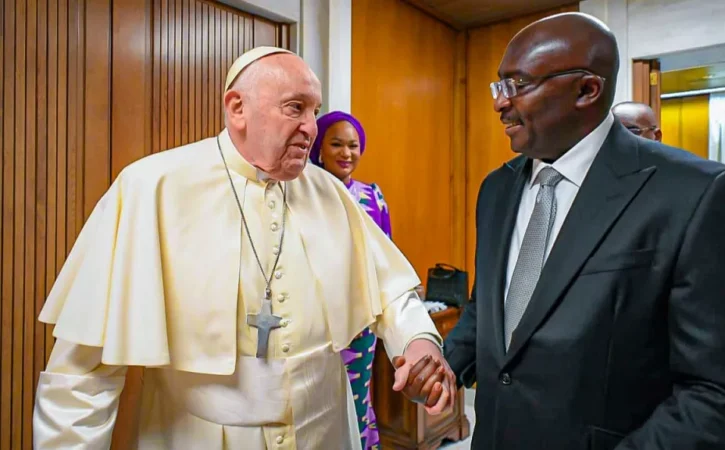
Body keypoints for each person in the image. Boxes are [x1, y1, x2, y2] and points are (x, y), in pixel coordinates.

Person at [32, 46, 456, 449]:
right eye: (295, 108)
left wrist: (418, 341)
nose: (311, 127)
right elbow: (81, 377)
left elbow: (391, 291)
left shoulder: (329, 192)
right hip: (199, 436)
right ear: (237, 109)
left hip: (326, 431)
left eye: (315, 111)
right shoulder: (151, 188)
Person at [444, 12, 725, 449]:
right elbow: (489, 308)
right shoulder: (496, 189)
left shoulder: (697, 194)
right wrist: (446, 363)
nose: (500, 102)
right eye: (499, 86)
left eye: (517, 85)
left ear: (586, 90)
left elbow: (723, 393)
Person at [309, 110, 391, 449]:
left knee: (358, 398)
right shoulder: (304, 194)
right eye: (336, 144)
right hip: (315, 320)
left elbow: (387, 260)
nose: (346, 153)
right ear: (319, 149)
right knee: (317, 403)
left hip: (361, 319)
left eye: (353, 146)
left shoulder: (373, 197)